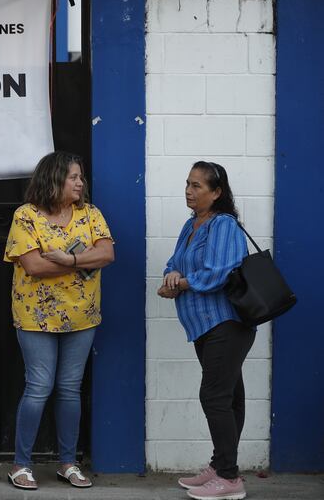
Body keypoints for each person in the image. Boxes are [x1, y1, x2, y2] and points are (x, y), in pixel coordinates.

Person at [3, 151, 114, 490]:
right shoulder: (26, 217)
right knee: (38, 388)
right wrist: (83, 260)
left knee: (69, 389)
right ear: (53, 179)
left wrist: (67, 258)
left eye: (81, 177)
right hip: (36, 317)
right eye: (73, 177)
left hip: (82, 317)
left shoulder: (90, 214)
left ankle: (68, 462)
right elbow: (33, 266)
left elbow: (107, 253)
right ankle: (21, 465)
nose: (80, 182)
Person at [157, 161, 252, 500]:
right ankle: (221, 465)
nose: (189, 191)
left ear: (217, 192)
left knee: (213, 396)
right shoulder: (191, 224)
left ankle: (228, 478)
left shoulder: (223, 225)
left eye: (198, 186)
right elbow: (174, 263)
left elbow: (218, 274)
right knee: (229, 397)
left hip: (226, 323)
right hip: (204, 327)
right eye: (187, 183)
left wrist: (180, 284)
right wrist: (171, 277)